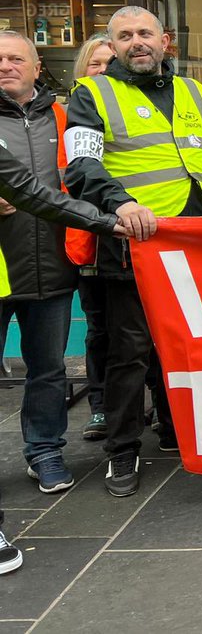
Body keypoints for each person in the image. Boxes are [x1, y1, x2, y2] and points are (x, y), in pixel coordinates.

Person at [66, 6, 202, 498]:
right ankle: (122, 451)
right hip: (135, 245)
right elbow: (81, 166)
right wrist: (123, 203)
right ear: (113, 46)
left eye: (145, 33)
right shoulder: (91, 93)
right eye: (125, 35)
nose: (136, 42)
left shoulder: (196, 93)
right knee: (131, 352)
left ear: (166, 42)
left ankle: (178, 431)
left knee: (190, 345)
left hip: (198, 241)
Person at [0, 140, 130, 576]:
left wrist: (104, 221)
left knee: (48, 366)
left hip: (40, 268)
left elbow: (30, 191)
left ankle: (43, 452)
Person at [0, 32, 97, 494]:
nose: (6, 66)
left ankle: (45, 451)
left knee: (48, 368)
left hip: (54, 264)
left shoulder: (63, 117)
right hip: (2, 267)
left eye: (16, 58)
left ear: (38, 68)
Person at [71, 35, 115, 442]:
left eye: (108, 63)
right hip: (87, 243)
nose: (102, 71)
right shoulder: (68, 116)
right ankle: (101, 407)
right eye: (94, 64)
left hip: (124, 238)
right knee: (99, 327)